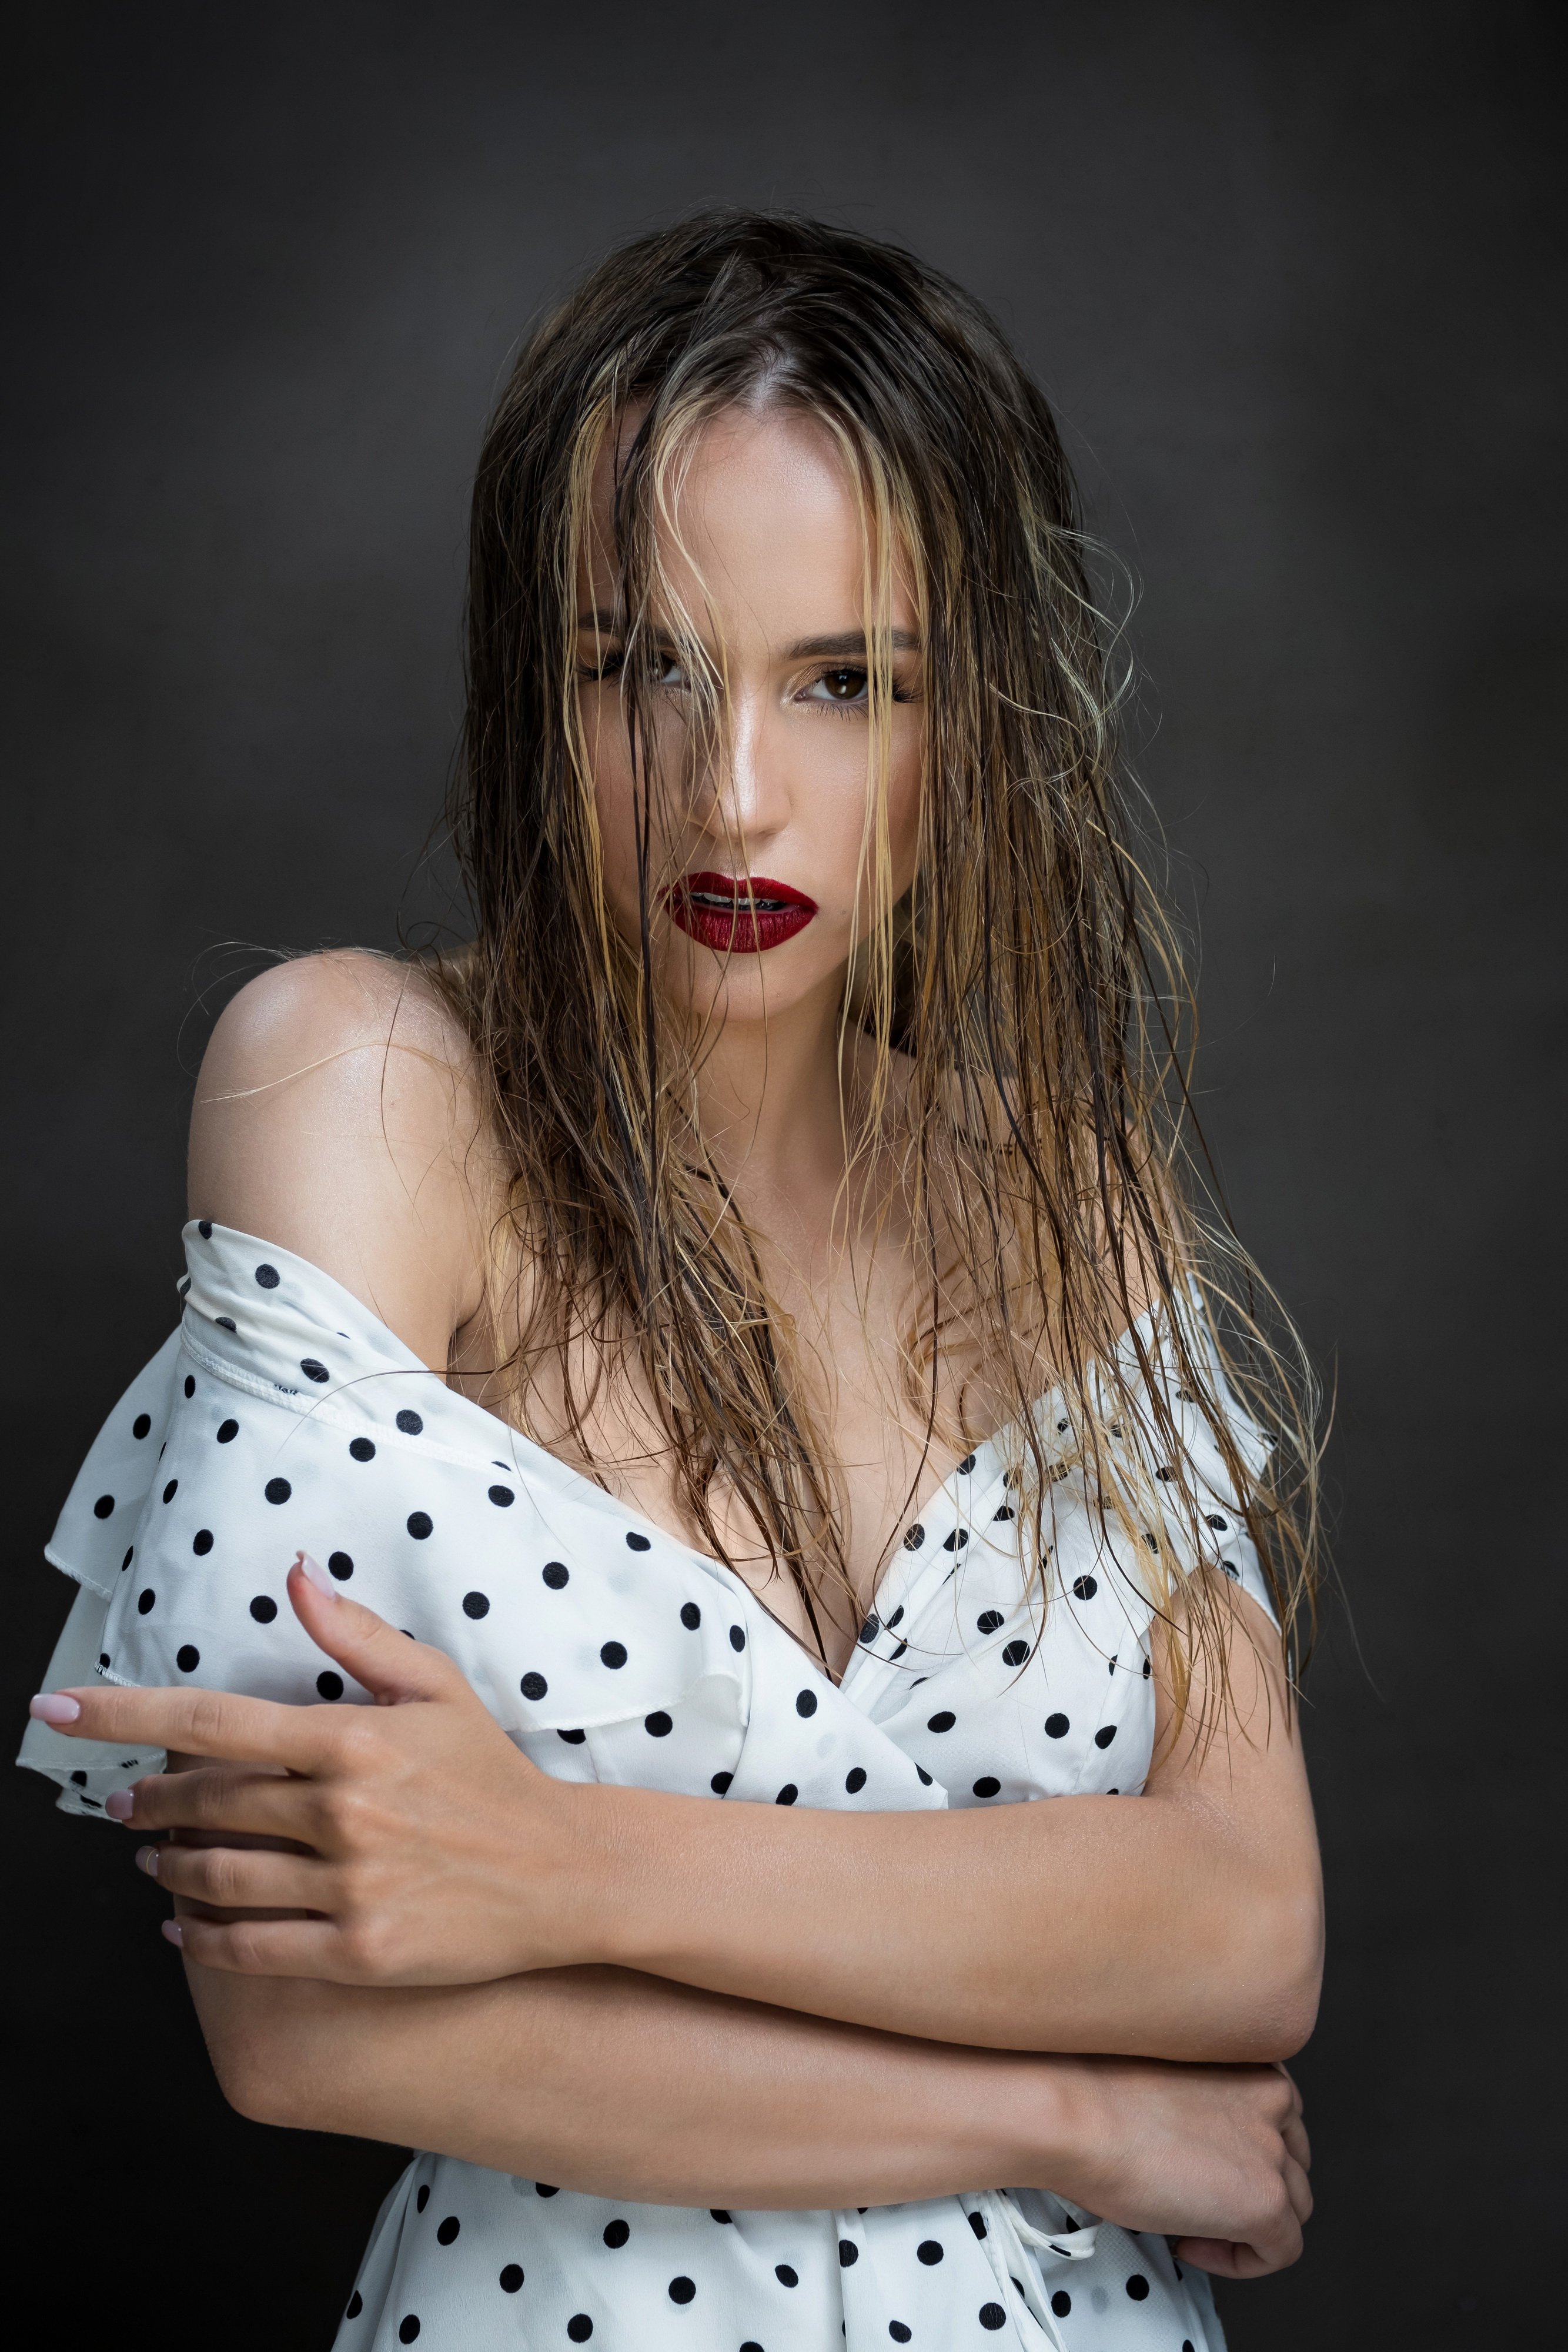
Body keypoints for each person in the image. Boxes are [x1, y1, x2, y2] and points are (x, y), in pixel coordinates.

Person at [22, 212, 1323, 2351]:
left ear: (971, 716)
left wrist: (550, 1865)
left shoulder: (1066, 1191)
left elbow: (1247, 1927)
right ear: (527, 682)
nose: (733, 795)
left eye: (845, 682)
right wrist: (1079, 2115)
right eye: (639, 667)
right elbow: (300, 2028)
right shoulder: (365, 1086)